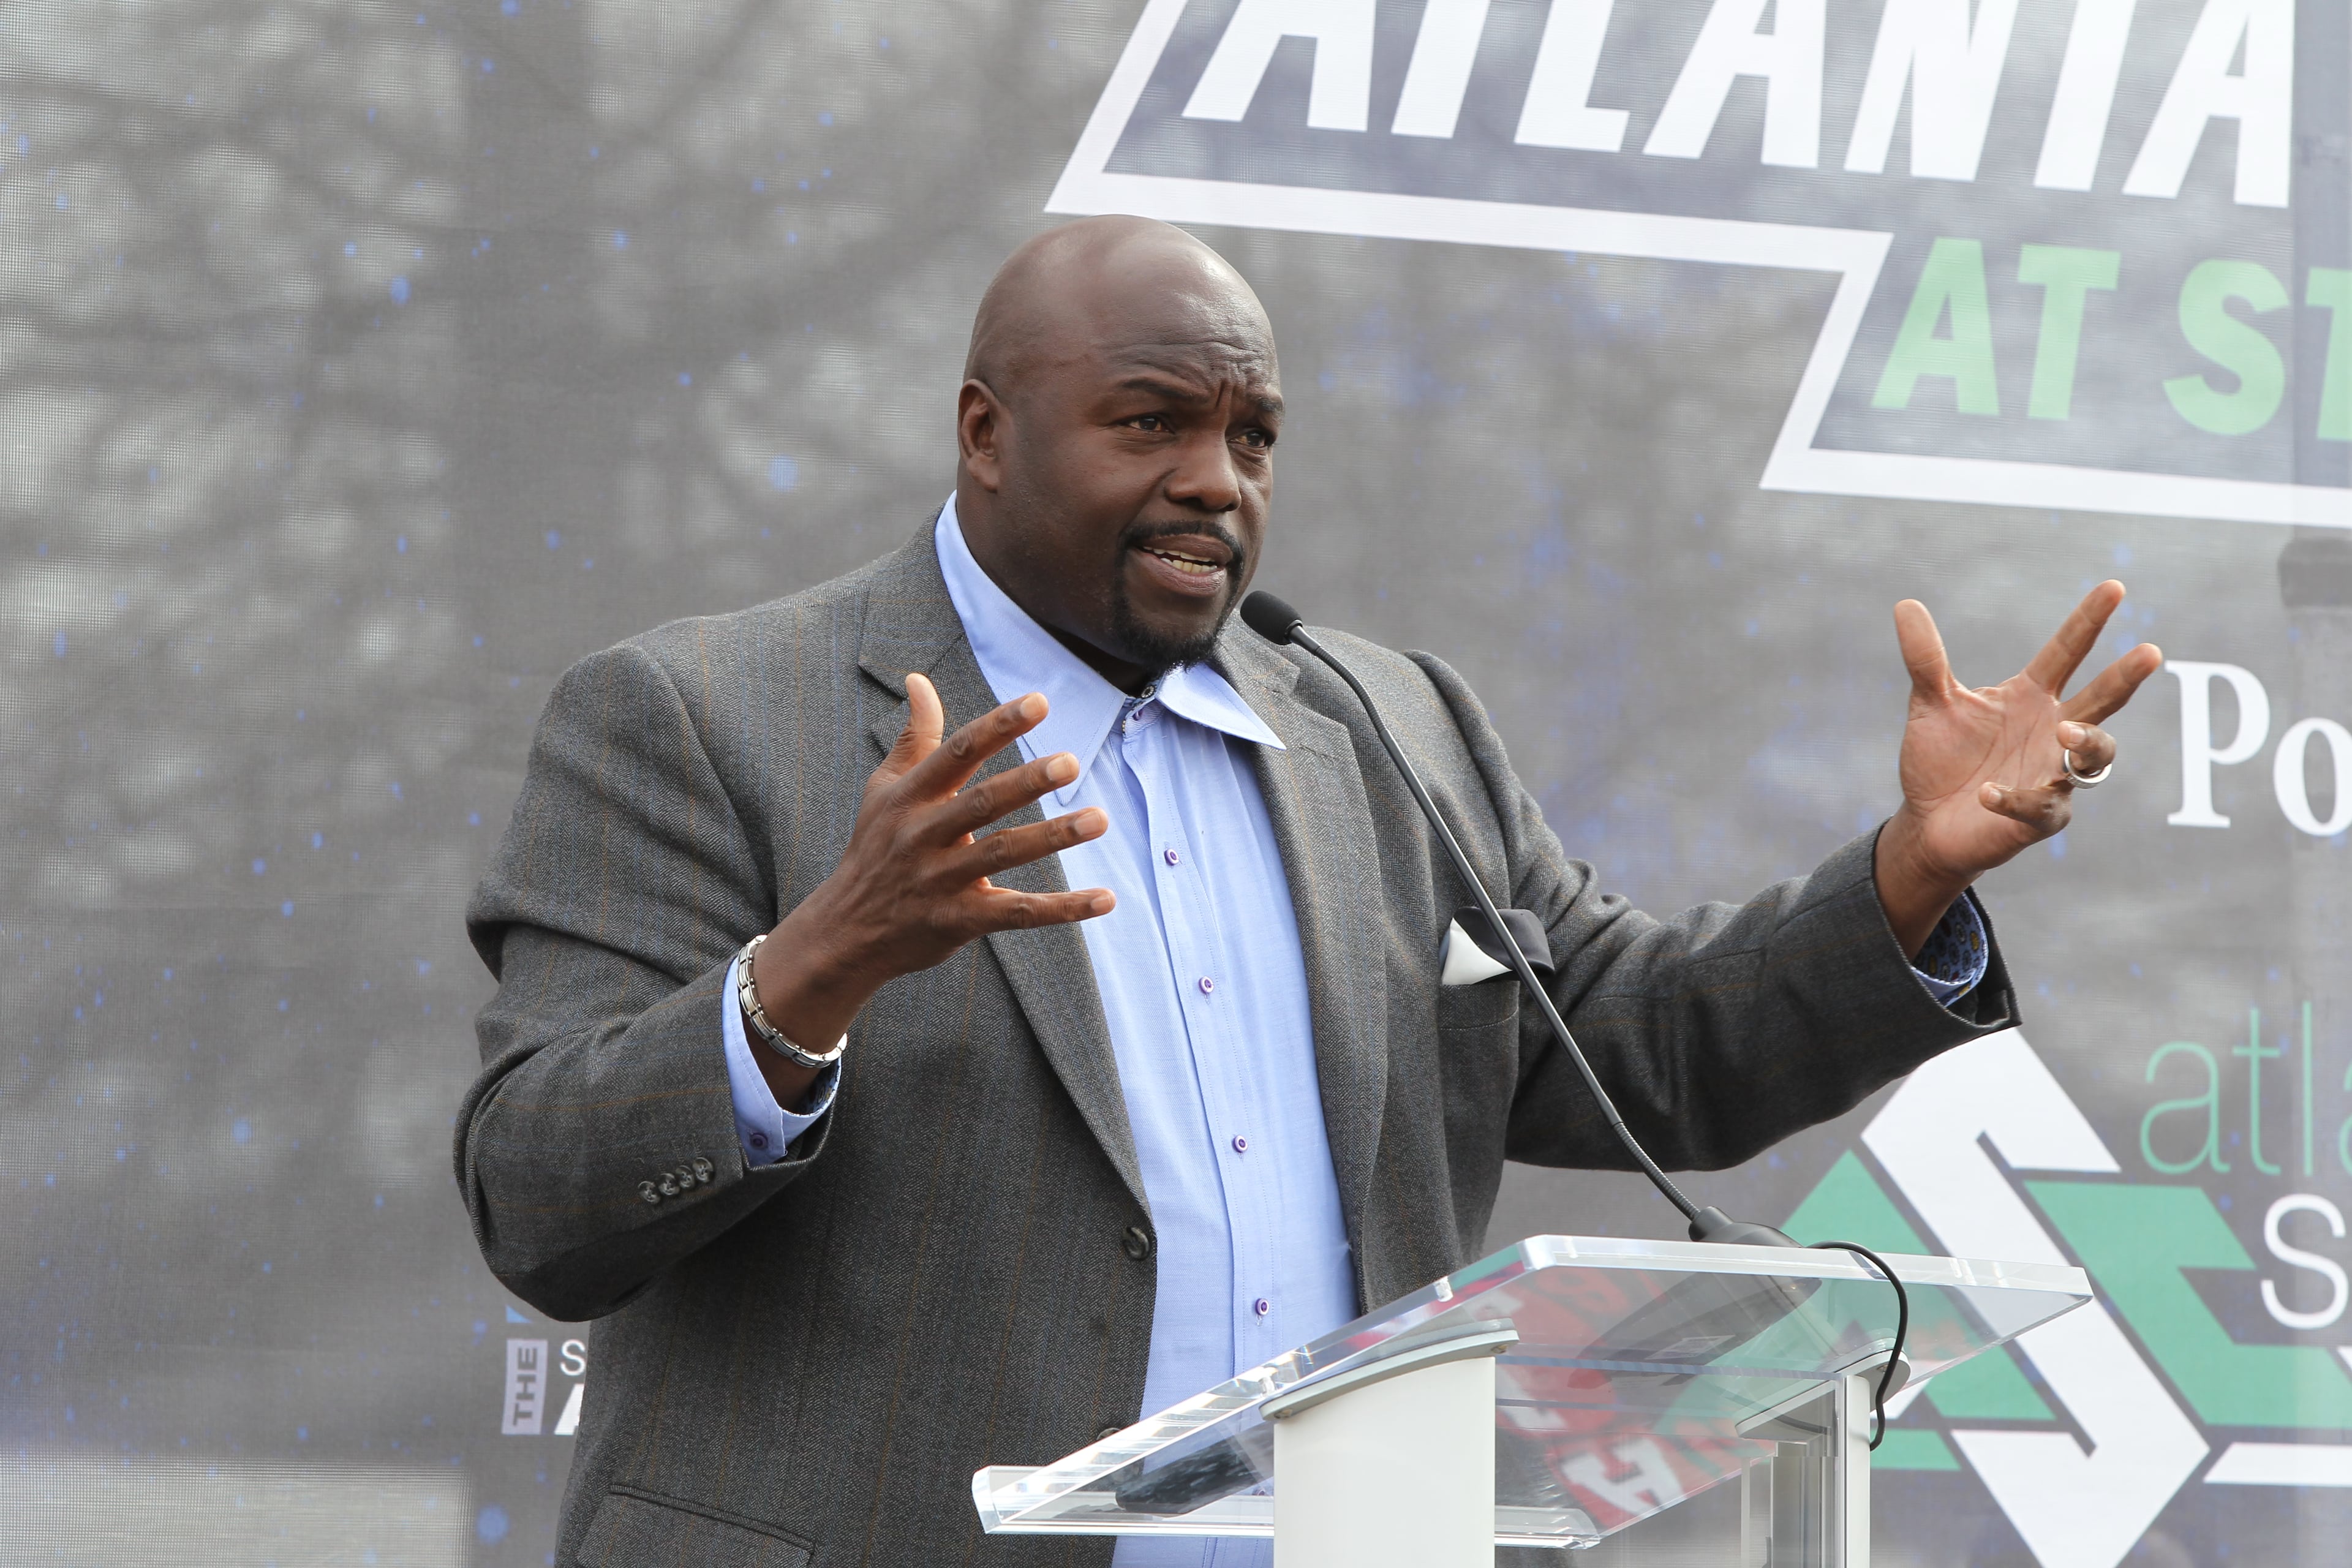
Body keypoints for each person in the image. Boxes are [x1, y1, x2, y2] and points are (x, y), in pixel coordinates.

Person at [456, 216, 2158, 1566]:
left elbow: (1637, 1052)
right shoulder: (701, 717)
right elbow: (541, 1194)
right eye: (1152, 423)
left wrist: (1909, 875)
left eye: (1253, 433)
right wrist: (812, 973)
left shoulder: (1381, 725)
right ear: (986, 433)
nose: (1218, 480)